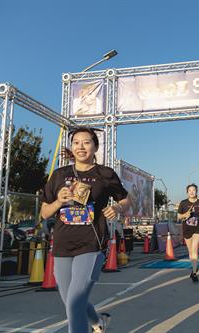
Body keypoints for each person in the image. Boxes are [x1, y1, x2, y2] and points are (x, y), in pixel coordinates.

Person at [40, 127, 130, 333]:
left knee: (75, 301)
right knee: (70, 300)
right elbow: (44, 212)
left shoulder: (105, 174)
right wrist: (58, 202)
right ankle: (98, 322)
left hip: (92, 243)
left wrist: (116, 208)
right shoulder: (59, 175)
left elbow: (125, 199)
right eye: (76, 142)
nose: (81, 146)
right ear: (71, 148)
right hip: (63, 244)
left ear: (95, 146)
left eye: (86, 142)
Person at [177, 184, 199, 282]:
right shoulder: (183, 203)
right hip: (187, 229)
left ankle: (194, 273)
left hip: (198, 229)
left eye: (193, 190)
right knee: (190, 252)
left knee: (194, 249)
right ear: (187, 192)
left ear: (196, 191)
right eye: (190, 190)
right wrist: (185, 215)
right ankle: (194, 266)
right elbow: (178, 217)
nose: (192, 192)